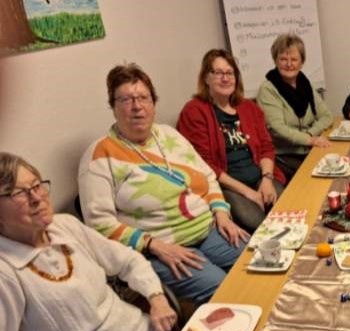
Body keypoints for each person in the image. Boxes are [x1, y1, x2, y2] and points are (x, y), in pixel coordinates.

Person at [0, 152, 177, 331]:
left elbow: (127, 260)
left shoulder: (65, 225)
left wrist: (156, 298)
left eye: (37, 185)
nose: (37, 198)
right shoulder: (5, 271)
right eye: (19, 193)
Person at [79, 63, 248, 304]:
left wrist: (221, 213)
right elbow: (98, 224)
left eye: (143, 98)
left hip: (209, 230)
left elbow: (207, 177)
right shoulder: (99, 154)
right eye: (126, 99)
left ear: (153, 103)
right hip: (161, 250)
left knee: (262, 260)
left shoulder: (169, 135)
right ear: (113, 107)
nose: (137, 107)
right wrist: (153, 245)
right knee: (225, 290)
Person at [177, 49, 285, 233]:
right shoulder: (194, 111)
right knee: (259, 226)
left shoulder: (249, 107)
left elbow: (266, 147)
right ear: (206, 78)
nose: (225, 78)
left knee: (288, 213)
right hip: (228, 187)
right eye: (218, 73)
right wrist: (247, 192)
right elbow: (205, 165)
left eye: (229, 73)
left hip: (260, 177)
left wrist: (267, 179)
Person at [257, 33, 334, 180]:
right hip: (285, 155)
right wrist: (310, 140)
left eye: (294, 59)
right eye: (283, 59)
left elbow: (327, 116)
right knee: (319, 179)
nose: (289, 64)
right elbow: (277, 128)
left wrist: (310, 134)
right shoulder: (268, 89)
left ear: (302, 62)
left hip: (308, 149)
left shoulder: (305, 83)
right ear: (275, 61)